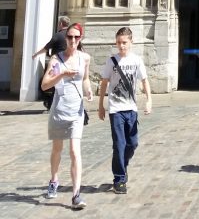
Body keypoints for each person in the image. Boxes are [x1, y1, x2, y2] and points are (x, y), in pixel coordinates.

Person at [41, 22, 92, 210]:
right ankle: (54, 179)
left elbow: (85, 79)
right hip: (59, 110)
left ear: (80, 39)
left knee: (74, 151)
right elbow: (45, 85)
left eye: (76, 37)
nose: (72, 40)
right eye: (69, 37)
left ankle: (76, 194)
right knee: (57, 150)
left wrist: (88, 91)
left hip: (76, 112)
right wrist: (61, 74)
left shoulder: (85, 58)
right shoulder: (56, 60)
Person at [98, 26, 152, 194]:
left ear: (131, 42)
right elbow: (104, 83)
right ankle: (119, 179)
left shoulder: (136, 60)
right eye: (118, 43)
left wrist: (149, 100)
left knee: (133, 143)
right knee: (119, 144)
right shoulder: (111, 61)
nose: (121, 46)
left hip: (131, 108)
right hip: (116, 109)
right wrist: (101, 105)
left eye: (124, 43)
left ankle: (123, 163)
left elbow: (144, 80)